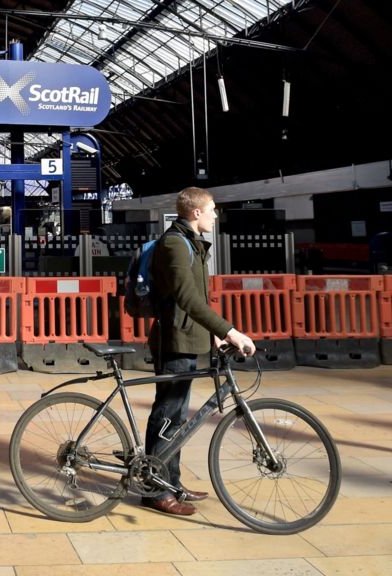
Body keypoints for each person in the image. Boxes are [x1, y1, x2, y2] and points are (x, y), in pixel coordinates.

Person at [143, 186, 256, 516]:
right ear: (195, 213)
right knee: (168, 414)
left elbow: (196, 299)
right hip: (174, 341)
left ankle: (171, 481)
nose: (215, 215)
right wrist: (230, 331)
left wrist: (213, 337)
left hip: (188, 338)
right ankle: (154, 490)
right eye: (212, 209)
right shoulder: (175, 244)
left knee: (176, 416)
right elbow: (187, 300)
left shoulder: (189, 243)